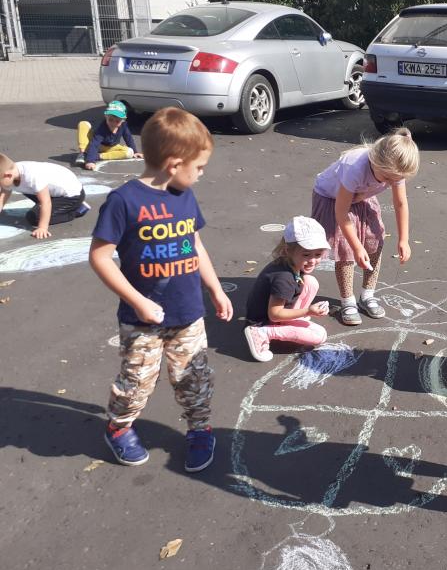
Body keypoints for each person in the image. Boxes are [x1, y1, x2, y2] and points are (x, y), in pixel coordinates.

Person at [89, 107, 233, 473]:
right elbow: (100, 257)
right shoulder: (124, 201)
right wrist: (138, 301)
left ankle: (200, 429)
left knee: (194, 377)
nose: (201, 174)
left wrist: (215, 289)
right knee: (136, 381)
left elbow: (194, 245)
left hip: (188, 313)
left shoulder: (184, 196)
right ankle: (119, 428)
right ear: (174, 164)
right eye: (199, 167)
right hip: (142, 320)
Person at [311, 129, 419, 326]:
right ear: (375, 161)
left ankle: (367, 295)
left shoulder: (395, 169)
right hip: (332, 198)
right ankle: (348, 301)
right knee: (346, 249)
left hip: (361, 196)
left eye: (394, 180)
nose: (390, 183)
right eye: (386, 178)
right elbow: (341, 212)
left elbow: (400, 203)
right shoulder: (354, 167)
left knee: (375, 240)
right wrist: (357, 247)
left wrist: (404, 239)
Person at [244, 216, 331, 362]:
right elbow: (274, 314)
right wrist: (308, 311)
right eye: (306, 254)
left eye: (318, 254)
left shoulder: (290, 264)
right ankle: (262, 333)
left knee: (310, 282)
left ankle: (288, 321)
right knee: (319, 335)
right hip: (262, 321)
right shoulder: (284, 278)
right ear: (288, 250)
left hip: (271, 315)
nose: (312, 260)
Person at [0, 154, 90, 238]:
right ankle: (58, 206)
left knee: (34, 218)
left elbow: (46, 202)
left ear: (8, 175)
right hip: (52, 192)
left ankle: (76, 210)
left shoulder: (32, 176)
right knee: (19, 186)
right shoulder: (12, 170)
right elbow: (4, 194)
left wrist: (42, 227)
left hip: (72, 196)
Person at [76, 100, 143, 169]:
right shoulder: (102, 128)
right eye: (110, 120)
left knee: (129, 152)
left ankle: (97, 156)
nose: (113, 123)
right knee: (83, 124)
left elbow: (128, 138)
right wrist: (90, 161)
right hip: (95, 145)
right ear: (106, 116)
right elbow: (95, 144)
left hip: (109, 148)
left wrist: (135, 152)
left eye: (117, 121)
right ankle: (83, 153)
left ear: (123, 120)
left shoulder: (123, 125)